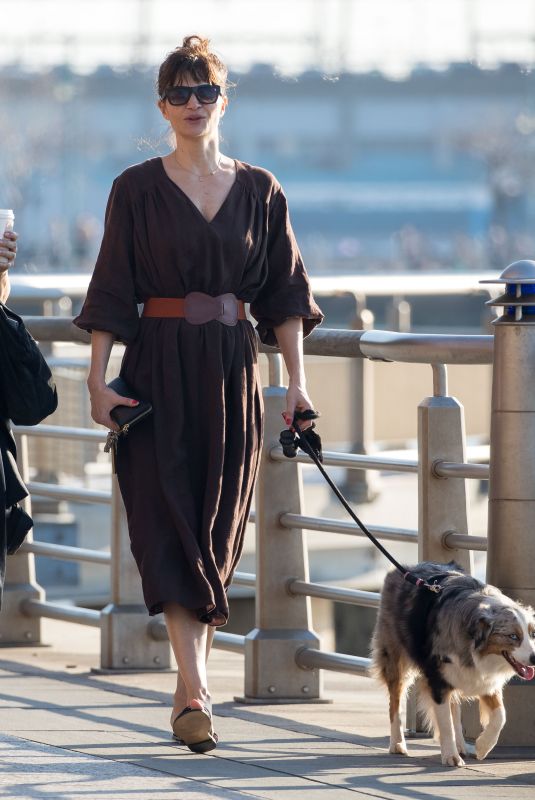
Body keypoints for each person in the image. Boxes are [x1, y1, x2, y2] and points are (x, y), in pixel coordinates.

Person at [74, 35, 323, 753]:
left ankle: (194, 689)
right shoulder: (135, 188)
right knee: (165, 519)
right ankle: (194, 689)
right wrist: (97, 380)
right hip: (153, 373)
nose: (192, 104)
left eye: (205, 91)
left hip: (231, 372)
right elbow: (112, 290)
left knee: (215, 529)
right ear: (161, 104)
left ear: (223, 99)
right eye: (179, 93)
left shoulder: (261, 189)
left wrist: (297, 384)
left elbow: (284, 296)